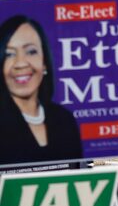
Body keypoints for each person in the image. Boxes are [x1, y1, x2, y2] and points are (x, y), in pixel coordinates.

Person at [0, 16, 82, 165]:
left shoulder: (64, 120)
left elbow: (84, 168)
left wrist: (114, 163)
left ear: (44, 62)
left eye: (31, 52)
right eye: (9, 54)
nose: (20, 63)